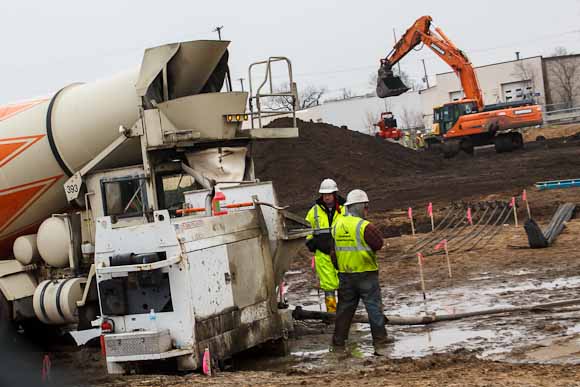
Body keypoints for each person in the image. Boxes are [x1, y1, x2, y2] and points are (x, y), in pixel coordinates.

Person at [330, 189, 392, 356]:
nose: (367, 210)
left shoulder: (337, 225)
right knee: (373, 308)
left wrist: (341, 267)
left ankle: (338, 342)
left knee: (344, 311)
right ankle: (380, 340)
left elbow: (334, 252)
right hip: (366, 274)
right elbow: (378, 243)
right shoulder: (364, 226)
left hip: (345, 275)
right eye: (365, 207)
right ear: (359, 206)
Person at [305, 178, 345, 313]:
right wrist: (311, 243)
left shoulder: (345, 209)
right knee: (328, 288)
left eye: (329, 194)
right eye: (324, 194)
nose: (327, 197)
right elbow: (306, 230)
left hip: (342, 253)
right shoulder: (314, 211)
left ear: (335, 194)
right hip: (323, 255)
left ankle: (346, 315)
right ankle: (332, 315)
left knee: (345, 286)